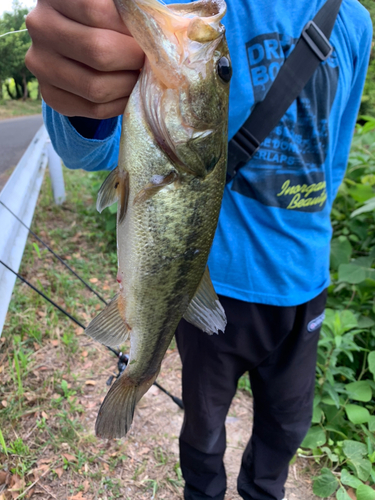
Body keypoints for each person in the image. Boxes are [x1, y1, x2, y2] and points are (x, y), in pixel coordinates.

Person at [25, 0, 373, 499]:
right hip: (209, 283)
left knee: (287, 428)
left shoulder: (354, 22)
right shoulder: (196, 12)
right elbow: (90, 150)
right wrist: (82, 91)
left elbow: (334, 161)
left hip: (306, 280)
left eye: (222, 69)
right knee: (203, 430)